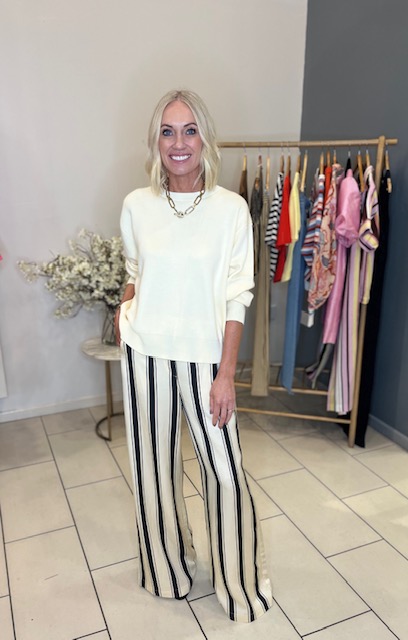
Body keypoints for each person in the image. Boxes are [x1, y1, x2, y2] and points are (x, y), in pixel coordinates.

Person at [115, 89, 272, 623]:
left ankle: (239, 585)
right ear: (155, 141)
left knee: (225, 472)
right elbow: (135, 271)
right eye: (167, 131)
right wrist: (124, 310)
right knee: (153, 470)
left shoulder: (230, 209)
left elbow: (237, 295)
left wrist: (227, 374)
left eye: (189, 130)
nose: (178, 143)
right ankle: (167, 572)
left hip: (207, 362)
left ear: (205, 138)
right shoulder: (137, 205)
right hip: (145, 354)